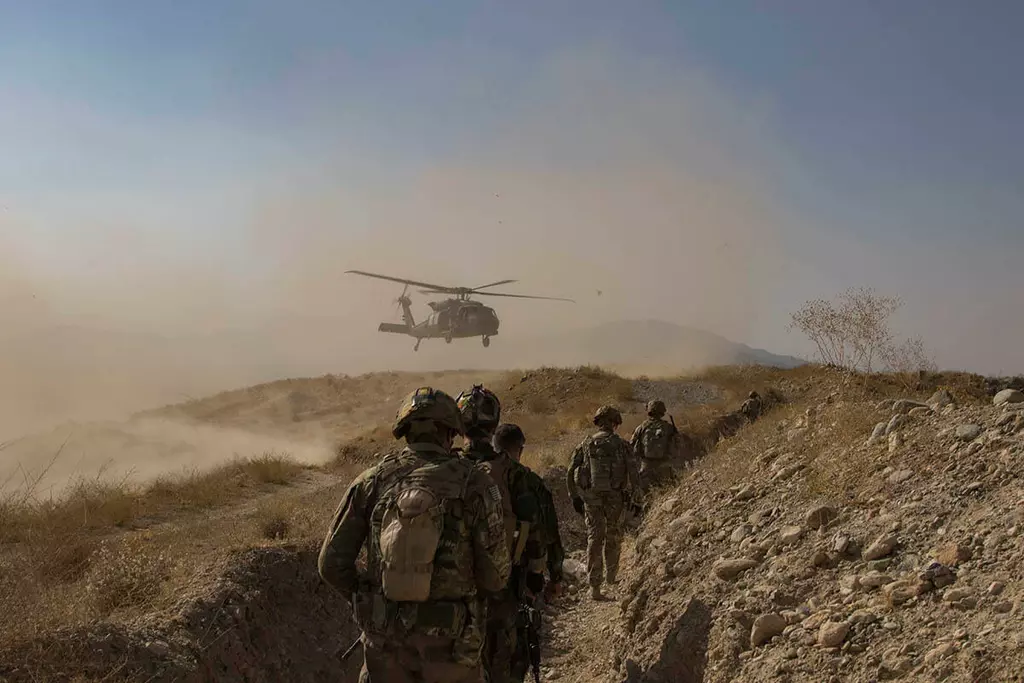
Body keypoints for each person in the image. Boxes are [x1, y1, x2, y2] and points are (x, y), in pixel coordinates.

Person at [318, 387, 510, 683]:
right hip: (453, 651)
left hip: (386, 650)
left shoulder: (371, 482)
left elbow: (330, 565)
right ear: (450, 432)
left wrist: (368, 598)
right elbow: (495, 577)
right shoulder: (476, 484)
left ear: (405, 431)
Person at [455, 386, 546, 683]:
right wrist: (536, 575)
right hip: (501, 590)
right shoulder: (513, 473)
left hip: (450, 595)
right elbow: (533, 528)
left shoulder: (443, 471)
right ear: (494, 425)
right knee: (503, 664)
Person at [492, 423, 565, 683]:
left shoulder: (468, 473)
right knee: (515, 649)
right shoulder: (528, 481)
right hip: (515, 579)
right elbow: (547, 533)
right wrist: (554, 576)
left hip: (469, 582)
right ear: (519, 450)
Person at [566, 405, 641, 600]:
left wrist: (574, 497)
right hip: (615, 498)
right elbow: (634, 473)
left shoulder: (586, 444)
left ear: (598, 422)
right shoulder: (622, 445)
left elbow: (570, 471)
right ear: (615, 423)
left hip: (592, 499)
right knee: (613, 535)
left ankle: (595, 587)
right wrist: (636, 499)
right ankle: (611, 577)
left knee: (594, 537)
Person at [629, 399, 680, 490]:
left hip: (646, 465)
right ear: (662, 412)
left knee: (645, 492)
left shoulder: (641, 427)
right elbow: (677, 443)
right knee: (667, 490)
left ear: (649, 411)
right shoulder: (668, 427)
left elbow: (631, 444)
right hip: (664, 465)